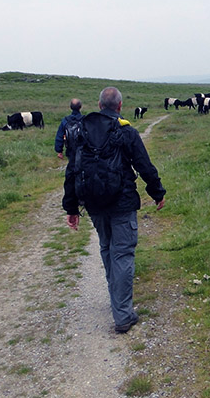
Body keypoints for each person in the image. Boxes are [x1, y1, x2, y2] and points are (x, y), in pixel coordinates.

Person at [62, 87, 166, 333]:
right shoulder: (126, 131)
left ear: (99, 105)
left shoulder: (79, 131)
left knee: (107, 249)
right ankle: (122, 315)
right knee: (122, 254)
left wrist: (72, 207)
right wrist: (157, 192)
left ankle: (117, 302)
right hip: (122, 203)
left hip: (94, 204)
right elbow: (143, 165)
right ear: (119, 106)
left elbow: (72, 171)